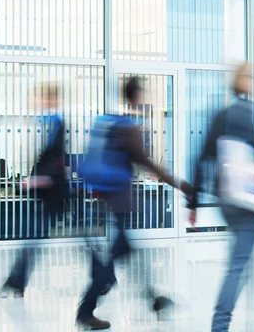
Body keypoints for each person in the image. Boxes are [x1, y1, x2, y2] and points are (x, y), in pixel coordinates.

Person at [75, 77, 194, 330]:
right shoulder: (128, 128)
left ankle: (154, 300)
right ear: (136, 96)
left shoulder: (112, 124)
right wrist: (181, 185)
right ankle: (86, 310)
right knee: (112, 265)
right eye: (144, 93)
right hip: (118, 202)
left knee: (129, 255)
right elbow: (146, 162)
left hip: (108, 200)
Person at [191, 62, 254, 332]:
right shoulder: (248, 113)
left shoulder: (221, 114)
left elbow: (201, 158)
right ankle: (220, 325)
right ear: (247, 82)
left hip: (225, 197)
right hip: (244, 198)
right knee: (239, 264)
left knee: (245, 258)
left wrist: (193, 203)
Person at [2, 83, 70, 296]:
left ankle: (17, 281)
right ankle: (17, 281)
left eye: (44, 98)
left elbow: (56, 160)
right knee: (35, 236)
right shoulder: (49, 123)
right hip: (51, 192)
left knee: (36, 236)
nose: (40, 102)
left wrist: (37, 180)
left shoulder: (57, 124)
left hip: (55, 192)